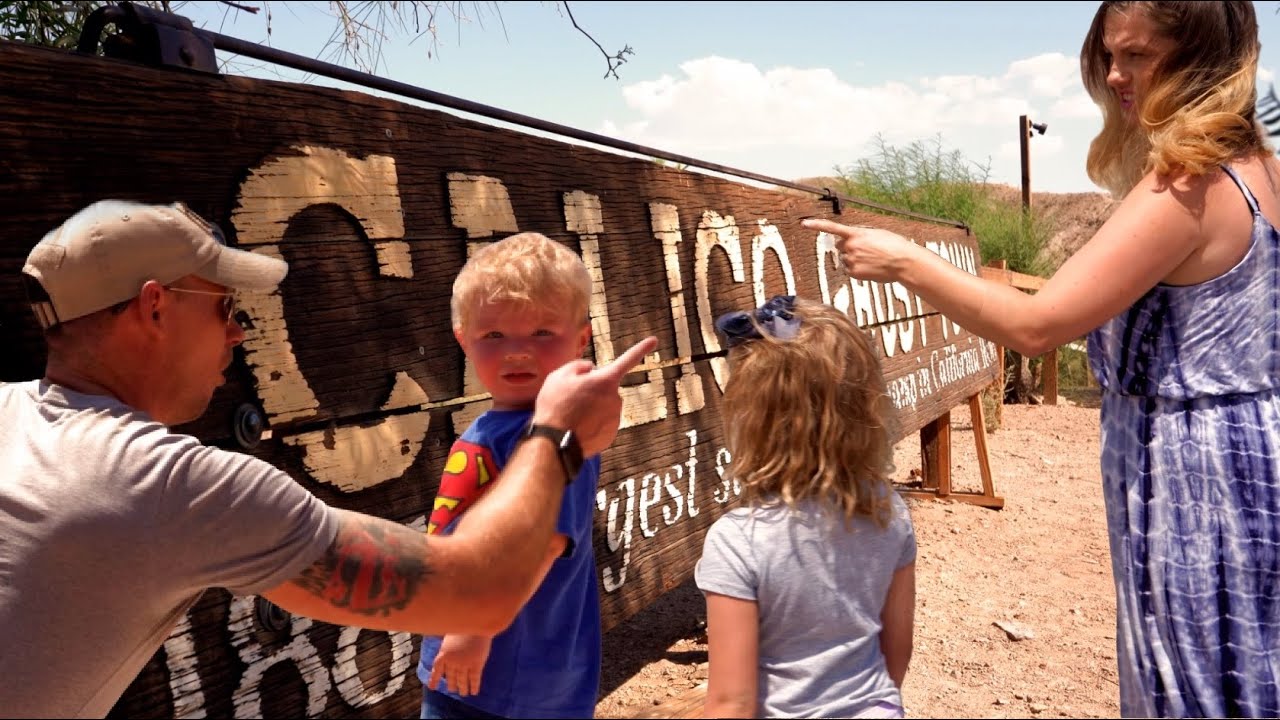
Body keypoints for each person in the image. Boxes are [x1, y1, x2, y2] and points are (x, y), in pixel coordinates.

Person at [0, 199, 657, 719]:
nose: (238, 331)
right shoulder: (172, 485)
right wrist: (560, 435)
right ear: (154, 307)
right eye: (226, 307)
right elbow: (474, 596)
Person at [804, 2, 1279, 717]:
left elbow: (1036, 324)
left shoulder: (1190, 183)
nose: (1115, 75)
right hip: (1250, 446)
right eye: (1109, 56)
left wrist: (903, 261)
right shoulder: (1260, 169)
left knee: (1191, 679)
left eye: (1138, 55)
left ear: (1201, 58)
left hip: (1193, 472)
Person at [694, 295, 917, 719]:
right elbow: (897, 650)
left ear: (752, 419)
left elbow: (731, 703)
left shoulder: (738, 541)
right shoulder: (888, 511)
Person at [416, 231, 603, 719]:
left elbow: (542, 544)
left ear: (581, 339)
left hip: (508, 674)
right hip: (465, 657)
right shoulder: (494, 425)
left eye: (542, 333)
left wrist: (473, 631)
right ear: (464, 340)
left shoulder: (560, 435)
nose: (517, 351)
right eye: (494, 336)